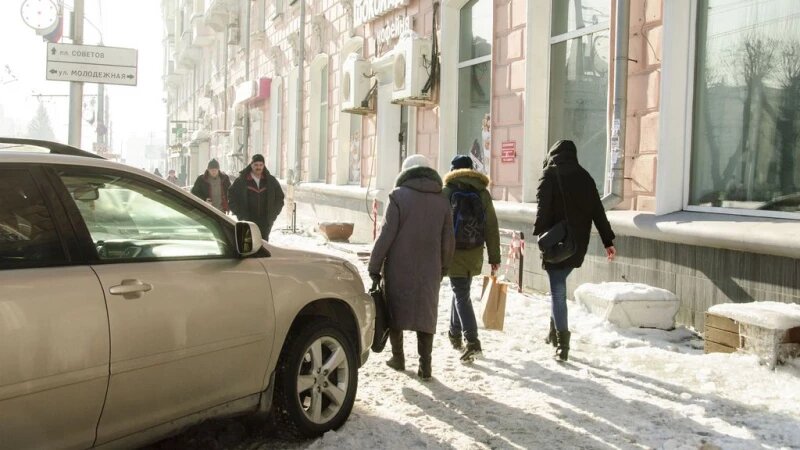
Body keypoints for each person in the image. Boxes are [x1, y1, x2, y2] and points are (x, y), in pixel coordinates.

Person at [368, 154, 455, 381]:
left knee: (396, 310)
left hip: (399, 266)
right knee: (426, 314)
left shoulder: (398, 196)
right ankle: (425, 365)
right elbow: (448, 239)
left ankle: (398, 358)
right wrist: (444, 266)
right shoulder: (442, 199)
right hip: (430, 268)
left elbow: (386, 234)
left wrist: (374, 265)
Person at [533, 140, 616, 362]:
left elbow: (542, 210)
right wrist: (608, 240)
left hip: (555, 243)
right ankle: (553, 333)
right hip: (577, 245)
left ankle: (563, 344)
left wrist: (540, 236)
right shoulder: (585, 177)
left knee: (558, 292)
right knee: (557, 287)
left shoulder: (549, 174)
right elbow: (598, 212)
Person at [442, 154, 501, 362]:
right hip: (475, 250)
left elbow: (437, 225)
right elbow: (492, 227)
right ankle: (454, 333)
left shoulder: (446, 192)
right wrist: (494, 256)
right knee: (460, 289)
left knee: (460, 293)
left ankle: (472, 341)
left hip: (453, 251)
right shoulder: (482, 193)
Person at [228, 154, 284, 241]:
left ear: (264, 165)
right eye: (256, 165)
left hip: (265, 220)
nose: (258, 167)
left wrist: (273, 214)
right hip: (247, 219)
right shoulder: (242, 180)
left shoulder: (270, 180)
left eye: (261, 165)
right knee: (248, 244)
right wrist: (239, 214)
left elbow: (280, 198)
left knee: (263, 244)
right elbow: (231, 196)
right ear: (251, 165)